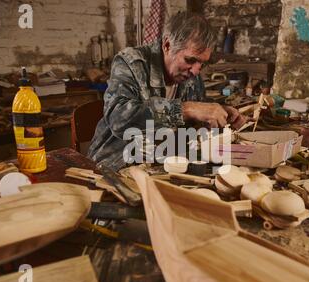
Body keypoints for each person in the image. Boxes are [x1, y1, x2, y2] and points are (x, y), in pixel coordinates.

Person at [88, 12, 247, 170]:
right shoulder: (131, 62)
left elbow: (195, 122)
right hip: (116, 164)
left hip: (161, 163)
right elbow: (118, 118)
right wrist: (186, 109)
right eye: (190, 60)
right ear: (167, 45)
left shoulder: (192, 76)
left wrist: (218, 115)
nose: (196, 71)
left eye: (202, 63)